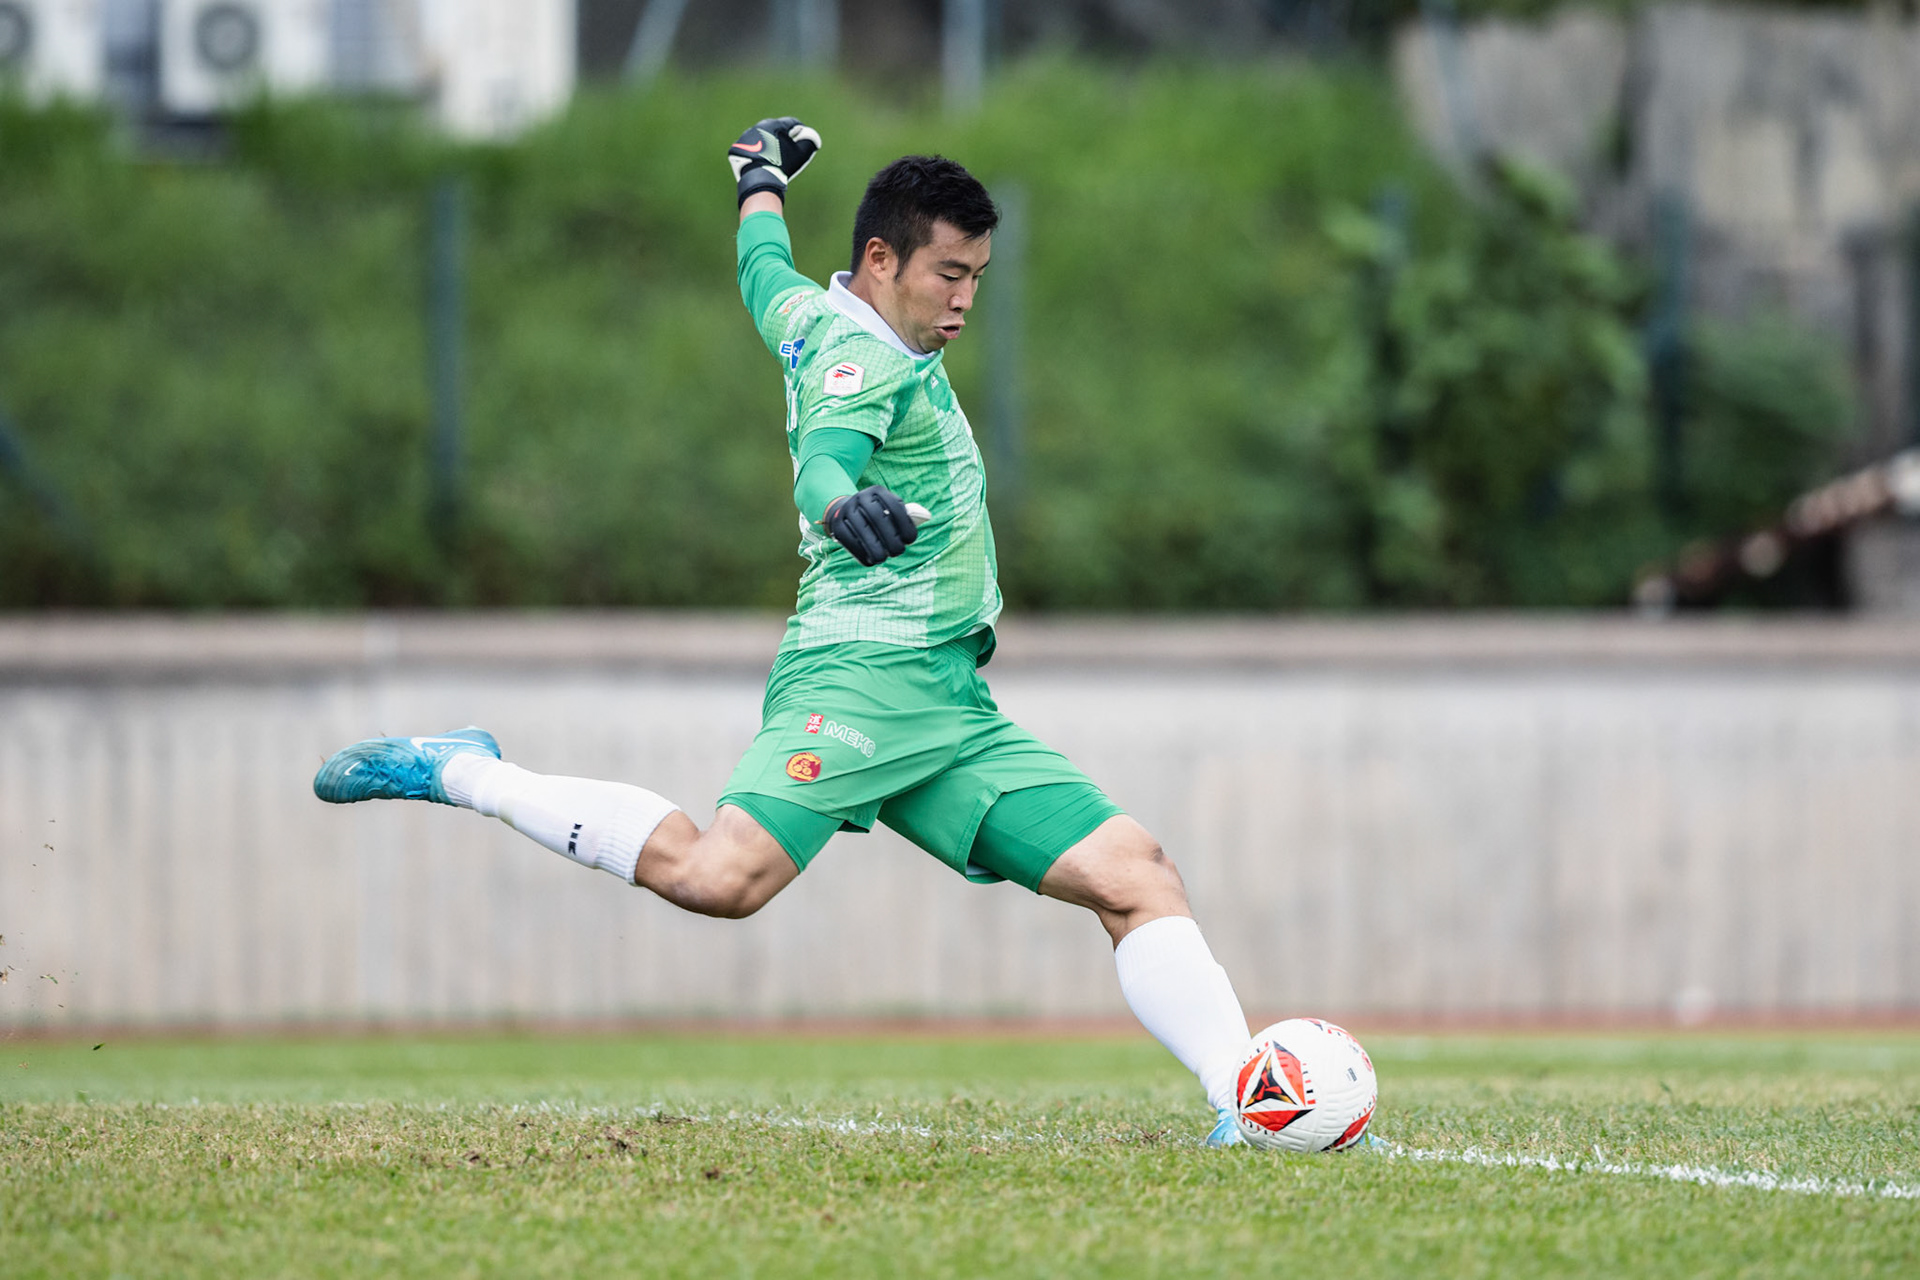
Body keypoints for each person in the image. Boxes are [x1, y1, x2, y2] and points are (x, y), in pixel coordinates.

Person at [314, 118, 1253, 1145]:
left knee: (1134, 870)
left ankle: (1249, 1104)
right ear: (885, 260)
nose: (965, 300)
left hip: (946, 702)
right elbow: (827, 459)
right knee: (721, 878)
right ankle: (466, 772)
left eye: (978, 276)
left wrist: (759, 181)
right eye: (949, 273)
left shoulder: (813, 312)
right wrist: (840, 498)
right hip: (860, 677)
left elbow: (763, 266)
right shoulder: (864, 357)